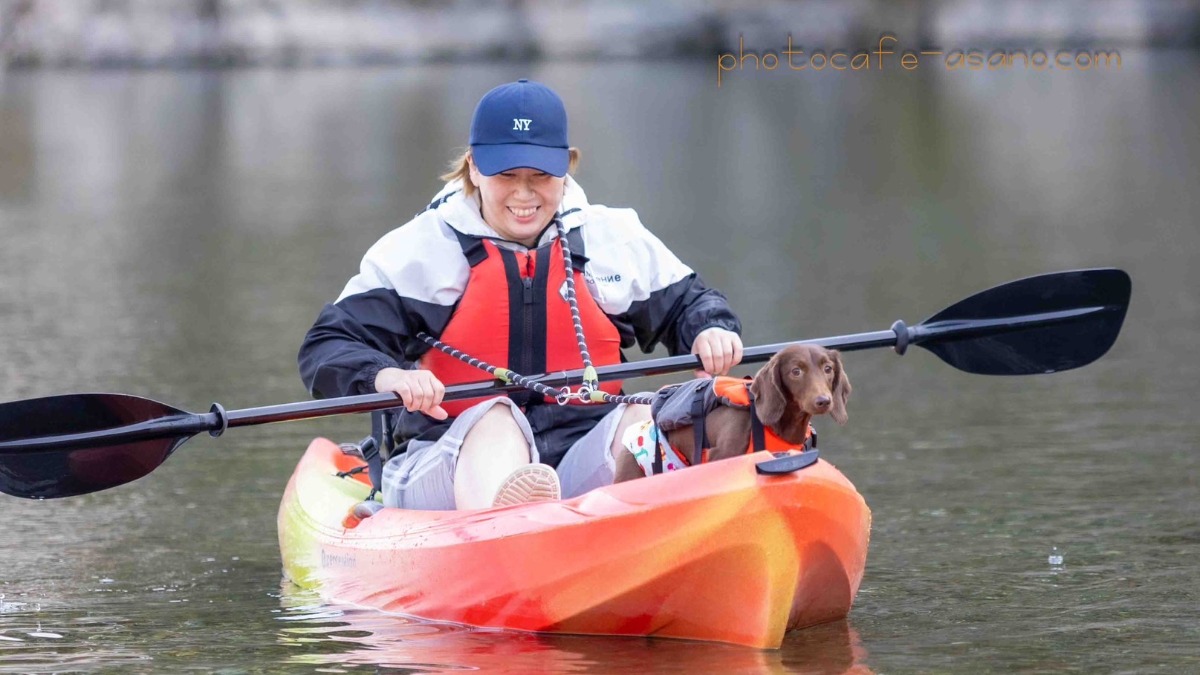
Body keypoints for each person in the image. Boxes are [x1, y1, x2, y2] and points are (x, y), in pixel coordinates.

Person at [298, 79, 743, 510]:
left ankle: (636, 543)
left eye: (542, 175)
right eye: (507, 174)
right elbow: (327, 347)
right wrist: (387, 377)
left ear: (567, 165)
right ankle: (515, 538)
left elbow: (691, 304)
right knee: (497, 421)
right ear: (473, 166)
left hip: (577, 462)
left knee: (643, 419)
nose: (524, 193)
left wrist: (710, 330)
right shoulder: (421, 250)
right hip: (447, 460)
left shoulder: (613, 238)